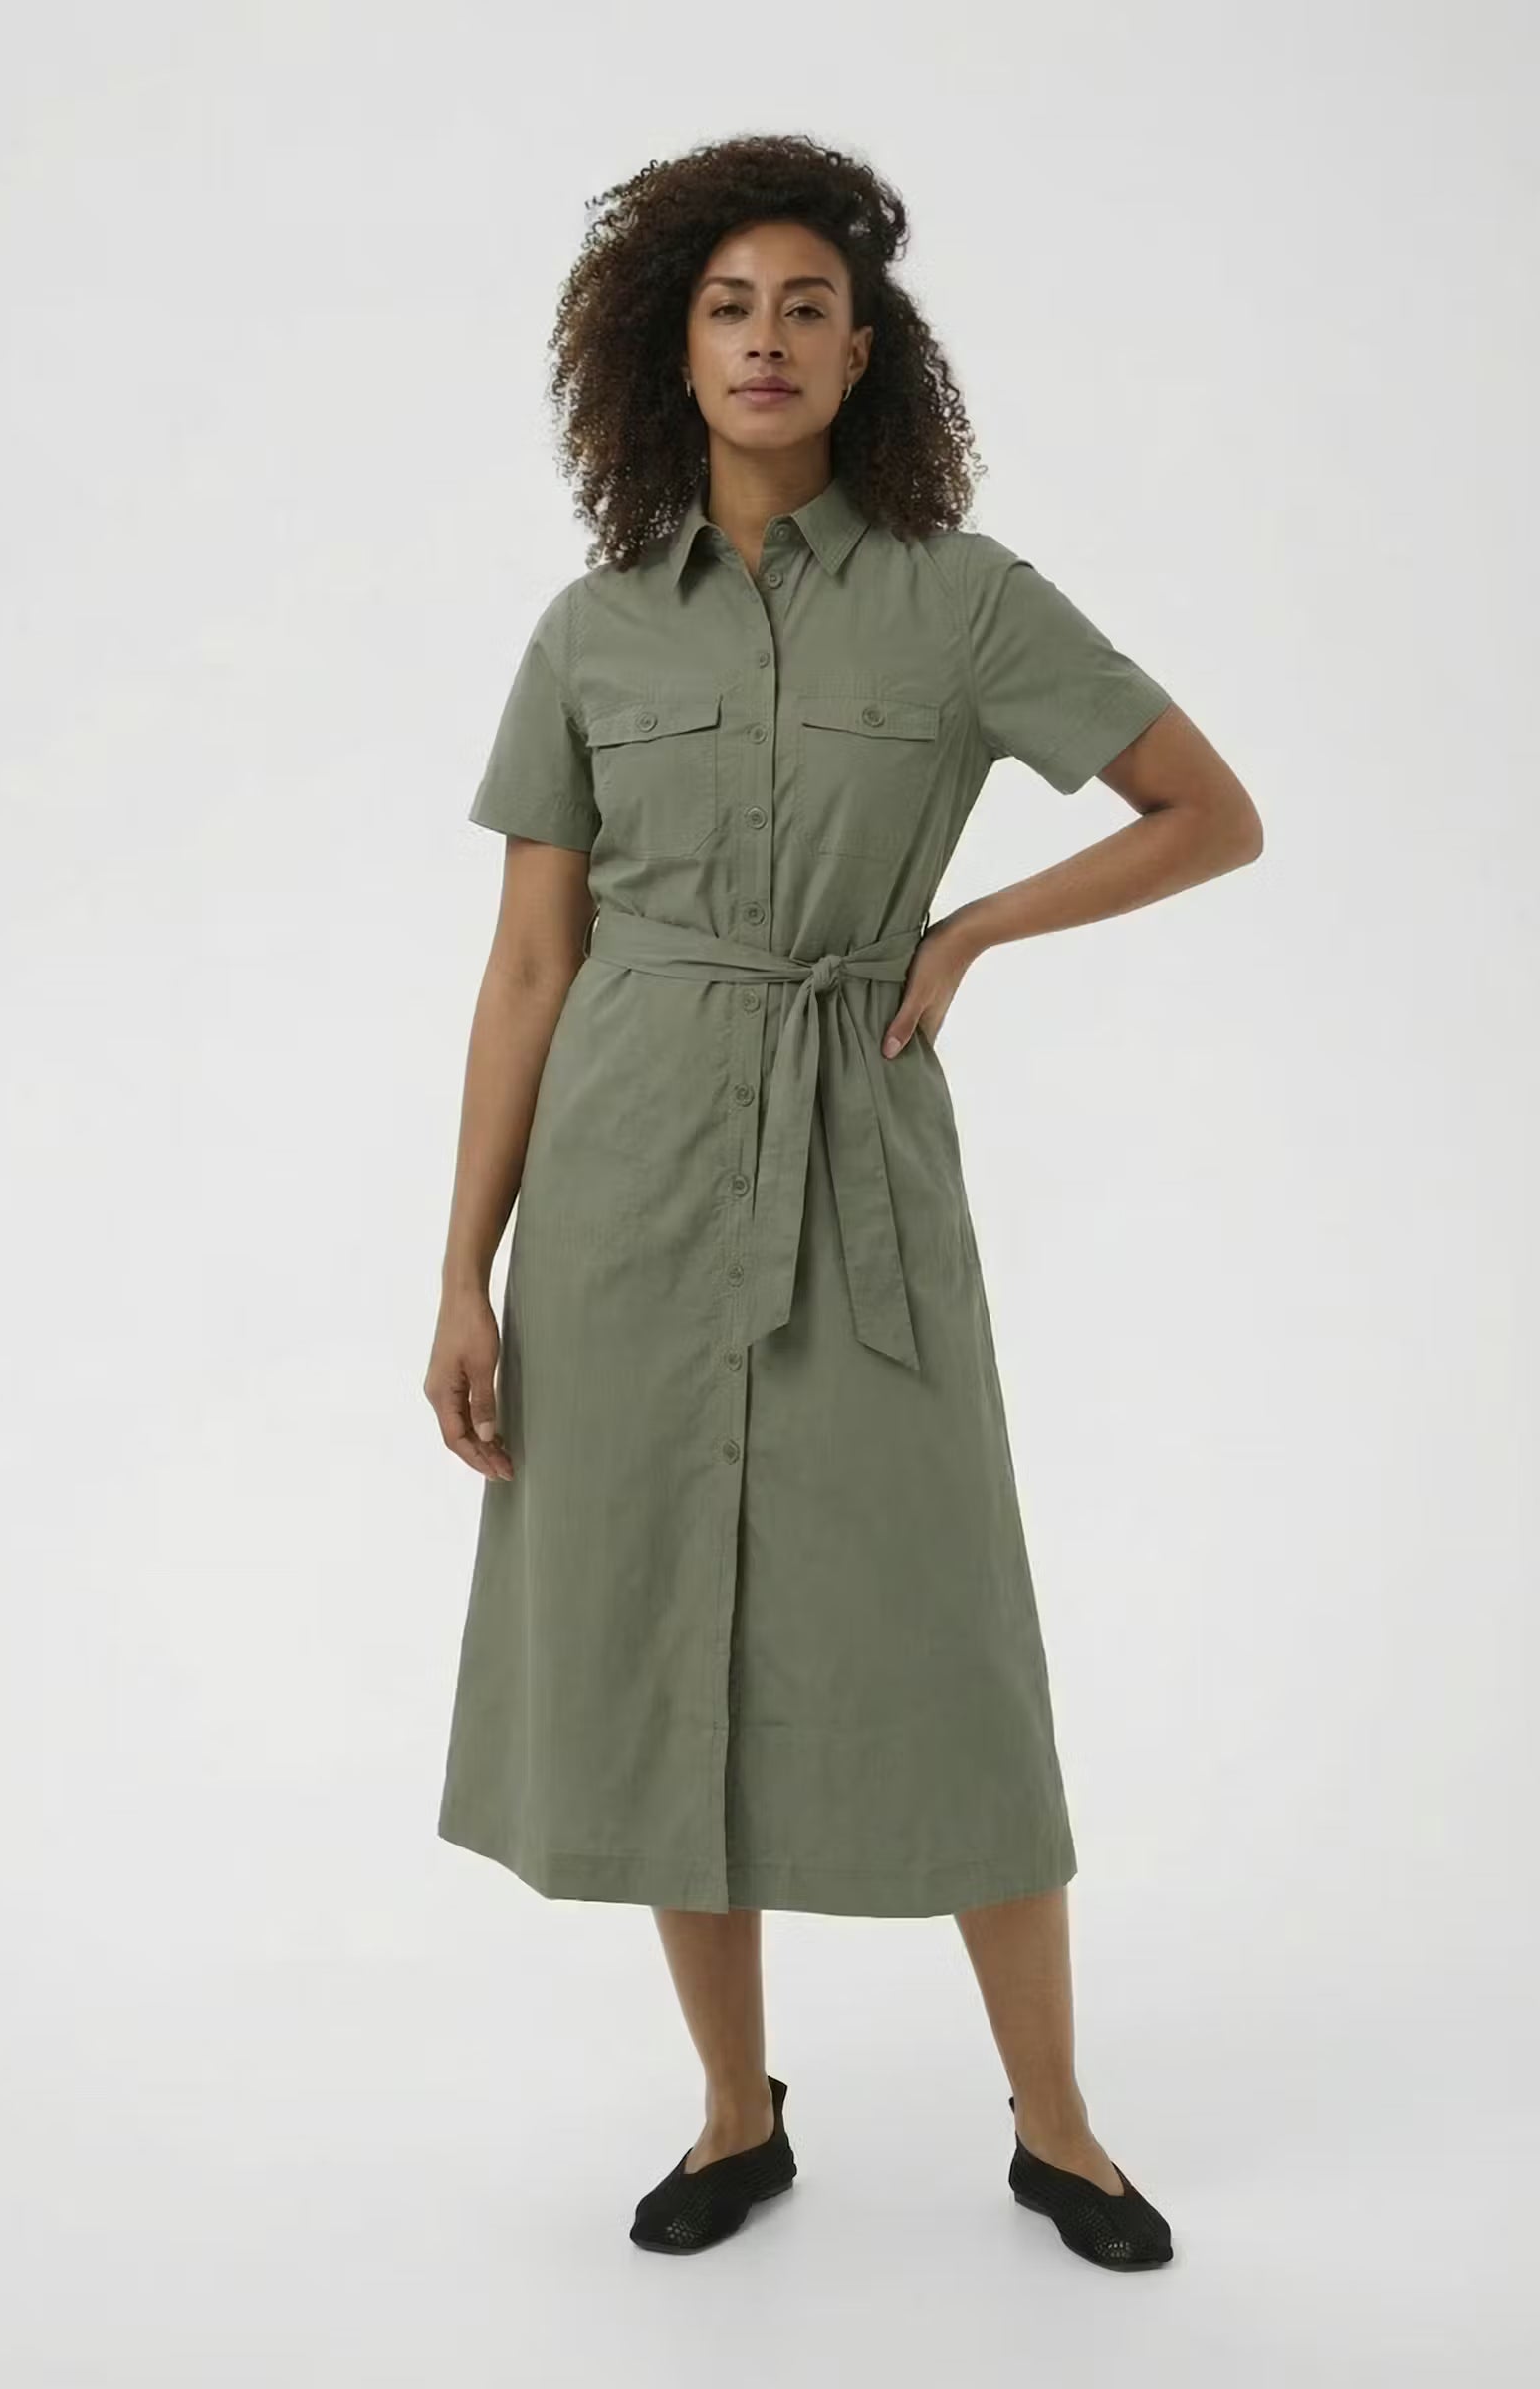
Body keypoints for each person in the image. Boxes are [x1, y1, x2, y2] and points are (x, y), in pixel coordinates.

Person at [425, 133, 1262, 2271]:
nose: (768, 340)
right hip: (620, 1187)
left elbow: (1205, 811)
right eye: (729, 307)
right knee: (656, 1641)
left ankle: (1057, 2129)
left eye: (808, 306)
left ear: (865, 351)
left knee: (947, 1644)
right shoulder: (592, 634)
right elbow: (528, 968)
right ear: (670, 350)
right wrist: (461, 1272)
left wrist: (971, 928)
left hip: (855, 1163)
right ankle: (734, 2114)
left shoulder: (963, 601)